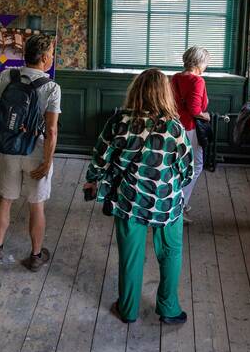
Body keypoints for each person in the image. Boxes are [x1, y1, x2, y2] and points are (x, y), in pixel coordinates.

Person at [84, 69, 192, 324]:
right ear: (166, 94)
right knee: (170, 254)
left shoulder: (119, 122)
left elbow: (99, 159)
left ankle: (128, 309)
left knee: (130, 257)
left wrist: (93, 179)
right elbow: (186, 170)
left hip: (129, 200)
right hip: (166, 203)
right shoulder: (174, 127)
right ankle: (168, 308)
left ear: (136, 90)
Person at [0, 33, 61, 271]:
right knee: (36, 205)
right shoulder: (51, 87)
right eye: (51, 54)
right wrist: (47, 161)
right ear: (46, 58)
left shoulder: (6, 76)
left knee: (5, 200)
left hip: (8, 149)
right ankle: (36, 255)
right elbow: (51, 130)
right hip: (36, 151)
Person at [171, 45, 211, 224]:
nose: (206, 67)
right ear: (200, 62)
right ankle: (180, 205)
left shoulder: (175, 78)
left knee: (177, 166)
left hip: (174, 127)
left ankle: (176, 200)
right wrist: (206, 116)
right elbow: (195, 109)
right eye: (206, 63)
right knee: (195, 166)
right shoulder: (197, 81)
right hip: (190, 128)